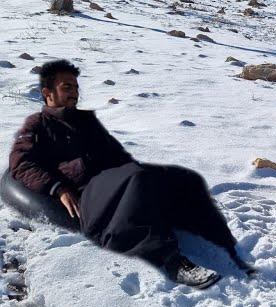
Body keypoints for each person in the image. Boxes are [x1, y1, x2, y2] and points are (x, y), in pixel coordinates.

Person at [9, 59, 254, 289]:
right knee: (134, 182)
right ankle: (172, 262)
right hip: (82, 189)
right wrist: (58, 188)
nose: (74, 92)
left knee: (180, 177)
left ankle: (214, 238)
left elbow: (116, 155)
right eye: (66, 87)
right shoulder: (37, 125)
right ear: (47, 93)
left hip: (108, 179)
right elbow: (20, 164)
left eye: (75, 86)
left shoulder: (85, 122)